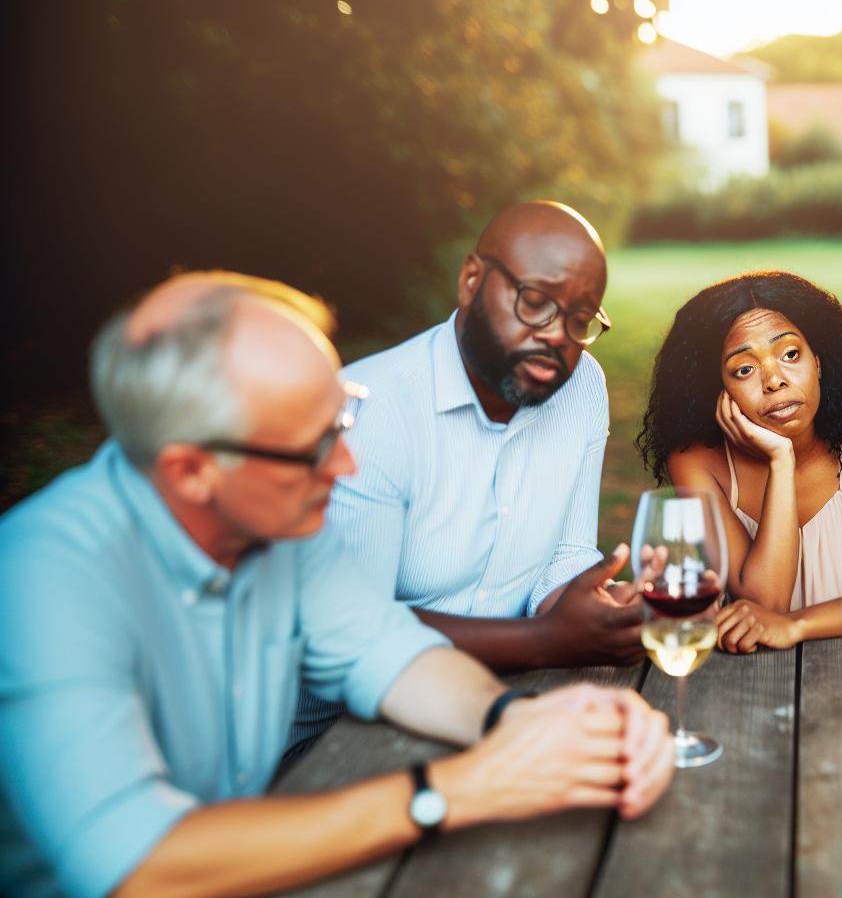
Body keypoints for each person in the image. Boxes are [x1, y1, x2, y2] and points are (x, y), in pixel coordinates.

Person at [0, 272, 673, 898]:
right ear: (190, 472)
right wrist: (456, 791)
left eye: (342, 421)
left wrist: (519, 719)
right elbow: (138, 867)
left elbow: (391, 654)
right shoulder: (43, 579)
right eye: (315, 446)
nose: (345, 463)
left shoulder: (280, 530)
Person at [288, 201, 642, 750]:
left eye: (579, 319)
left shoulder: (581, 388)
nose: (556, 335)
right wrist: (547, 640)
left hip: (493, 699)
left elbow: (564, 555)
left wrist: (601, 607)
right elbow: (355, 628)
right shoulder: (370, 412)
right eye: (535, 302)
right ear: (472, 280)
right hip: (327, 739)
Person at [636, 271, 842, 652]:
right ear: (717, 390)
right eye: (745, 369)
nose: (774, 380)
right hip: (753, 680)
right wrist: (780, 458)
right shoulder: (697, 462)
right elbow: (765, 604)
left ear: (819, 361)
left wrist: (795, 626)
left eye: (790, 354)